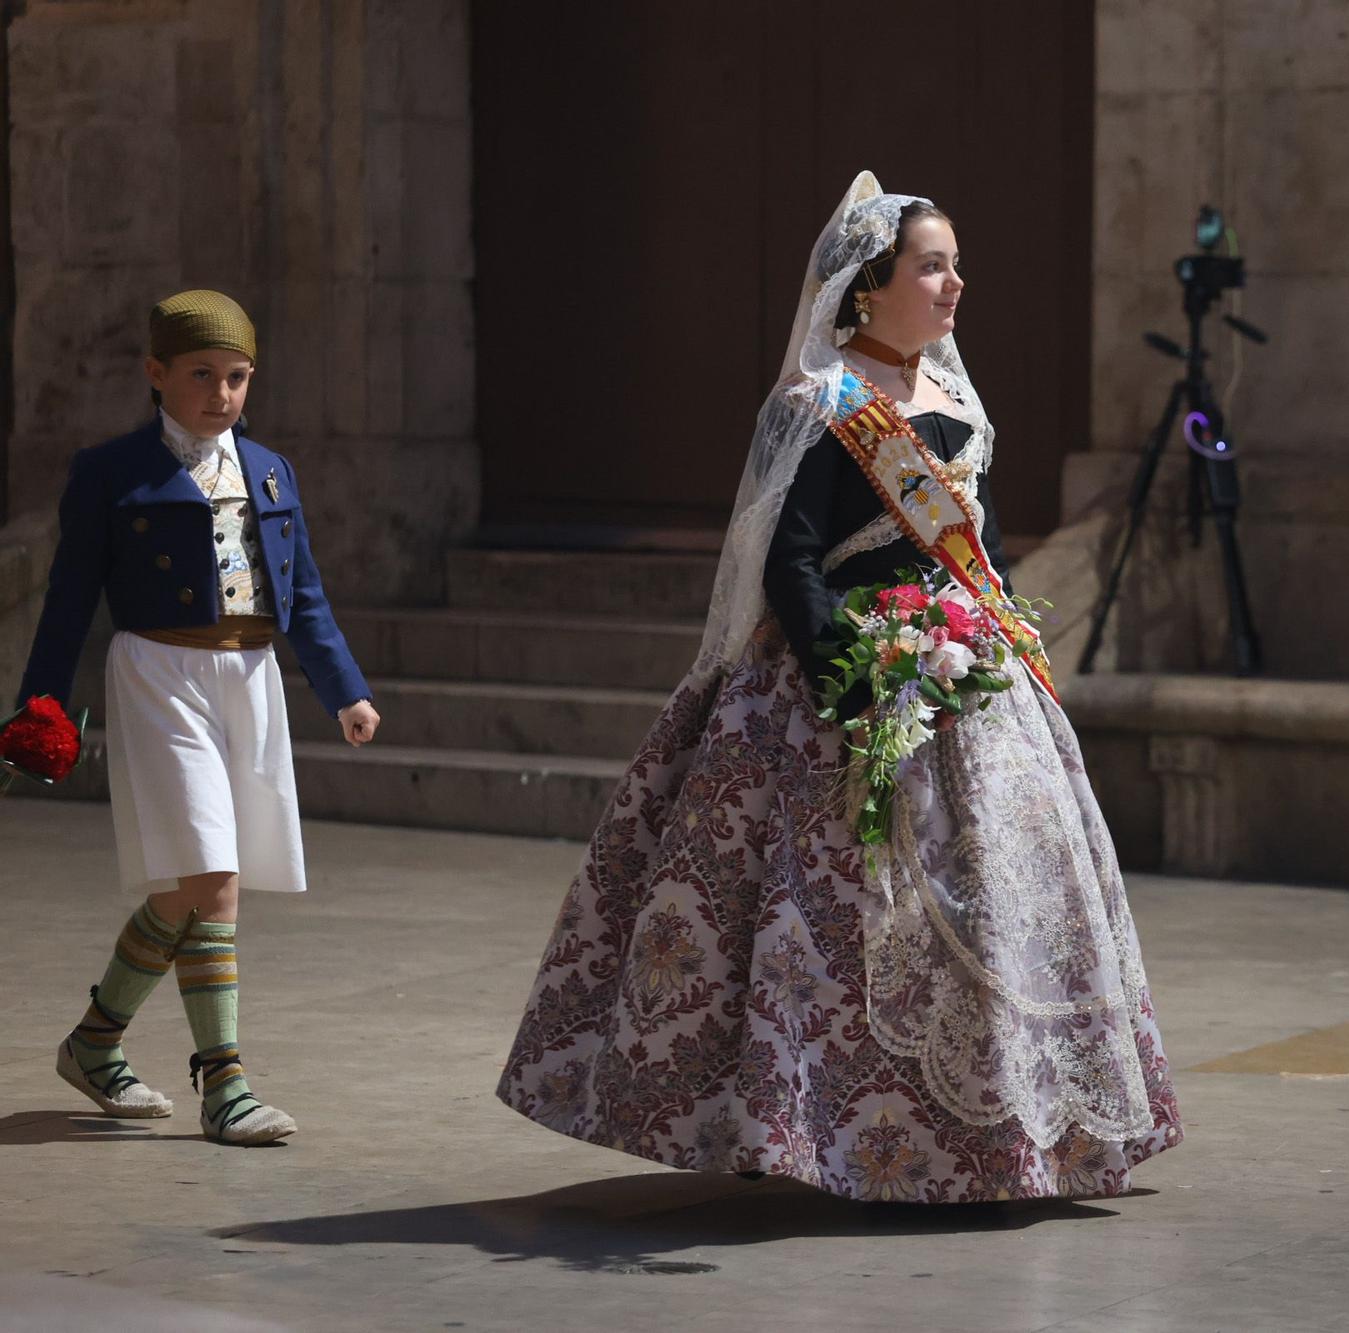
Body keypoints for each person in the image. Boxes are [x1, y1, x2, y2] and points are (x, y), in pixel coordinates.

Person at [497, 172, 1182, 1202]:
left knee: (1001, 905)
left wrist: (985, 641)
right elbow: (794, 560)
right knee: (827, 922)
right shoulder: (822, 405)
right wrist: (850, 681)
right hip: (845, 687)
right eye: (931, 265)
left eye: (953, 263)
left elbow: (979, 548)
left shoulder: (952, 400)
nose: (955, 283)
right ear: (866, 288)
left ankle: (1016, 1135)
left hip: (968, 682)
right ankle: (836, 1138)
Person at [9, 289, 380, 1145]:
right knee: (214, 879)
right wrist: (39, 705)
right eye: (202, 374)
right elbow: (68, 600)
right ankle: (226, 1084)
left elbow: (305, 597)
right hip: (158, 673)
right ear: (156, 373)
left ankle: (96, 1042)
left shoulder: (272, 471)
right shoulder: (110, 471)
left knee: (188, 888)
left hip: (249, 680)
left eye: (239, 377)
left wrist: (345, 691)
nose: (222, 393)